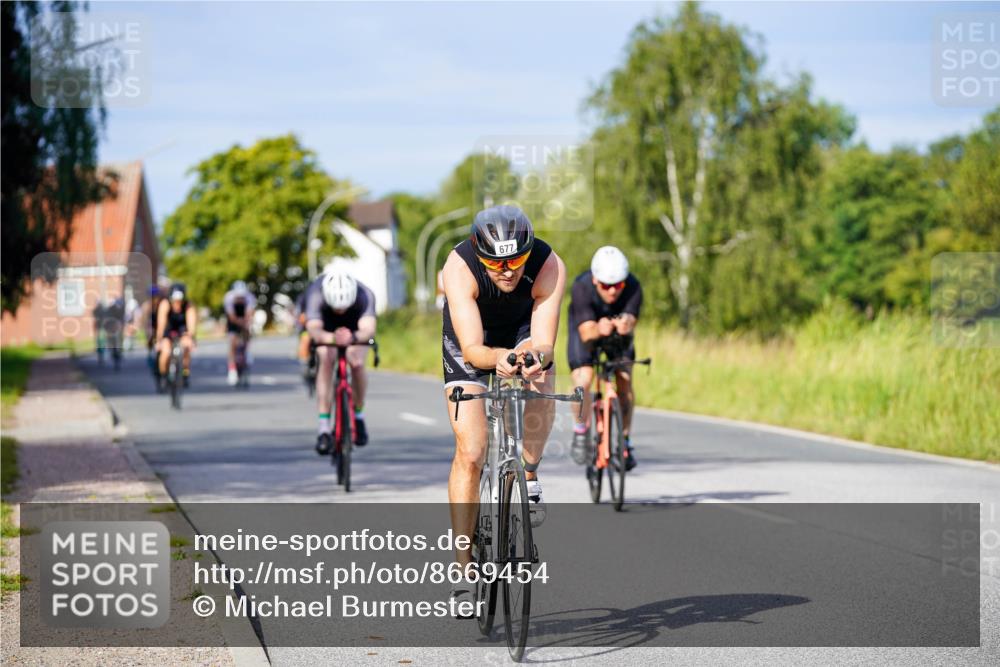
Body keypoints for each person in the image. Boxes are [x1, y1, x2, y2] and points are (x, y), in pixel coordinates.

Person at [440, 205, 566, 614]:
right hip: (471, 340)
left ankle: (528, 475)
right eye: (496, 262)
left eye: (516, 260)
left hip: (521, 329)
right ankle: (462, 570)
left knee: (542, 375)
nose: (508, 270)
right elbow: (474, 348)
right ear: (480, 254)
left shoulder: (549, 265)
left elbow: (544, 341)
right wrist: (496, 358)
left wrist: (534, 357)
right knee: (472, 450)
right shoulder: (458, 268)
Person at [567, 246, 643, 470]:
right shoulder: (582, 287)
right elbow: (586, 333)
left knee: (624, 379)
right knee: (584, 379)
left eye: (618, 285)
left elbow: (631, 320)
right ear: (594, 280)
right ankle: (581, 430)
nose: (612, 292)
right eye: (606, 286)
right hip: (586, 330)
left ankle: (625, 442)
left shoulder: (633, 286)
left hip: (617, 336)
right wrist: (600, 328)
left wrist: (625, 324)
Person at [304, 267, 377, 454]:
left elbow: (368, 330)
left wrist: (352, 337)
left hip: (354, 328)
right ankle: (323, 427)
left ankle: (358, 415)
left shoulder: (365, 295)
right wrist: (332, 339)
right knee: (326, 359)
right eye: (337, 307)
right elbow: (314, 330)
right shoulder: (315, 294)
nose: (340, 310)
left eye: (343, 307)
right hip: (326, 328)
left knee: (357, 362)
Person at [156, 283, 198, 387]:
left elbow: (191, 324)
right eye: (175, 300)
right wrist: (159, 340)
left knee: (186, 346)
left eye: (180, 300)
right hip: (168, 329)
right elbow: (161, 324)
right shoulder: (165, 304)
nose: (177, 303)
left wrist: (191, 337)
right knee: (166, 352)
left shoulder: (188, 305)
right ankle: (164, 376)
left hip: (182, 329)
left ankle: (185, 373)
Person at [223, 280, 257, 385]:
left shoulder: (250, 297)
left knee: (248, 331)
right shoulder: (228, 298)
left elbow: (249, 313)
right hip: (233, 319)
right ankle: (232, 370)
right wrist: (238, 323)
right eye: (238, 297)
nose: (240, 299)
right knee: (232, 341)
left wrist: (246, 324)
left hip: (244, 316)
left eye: (242, 297)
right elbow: (231, 316)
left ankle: (246, 351)